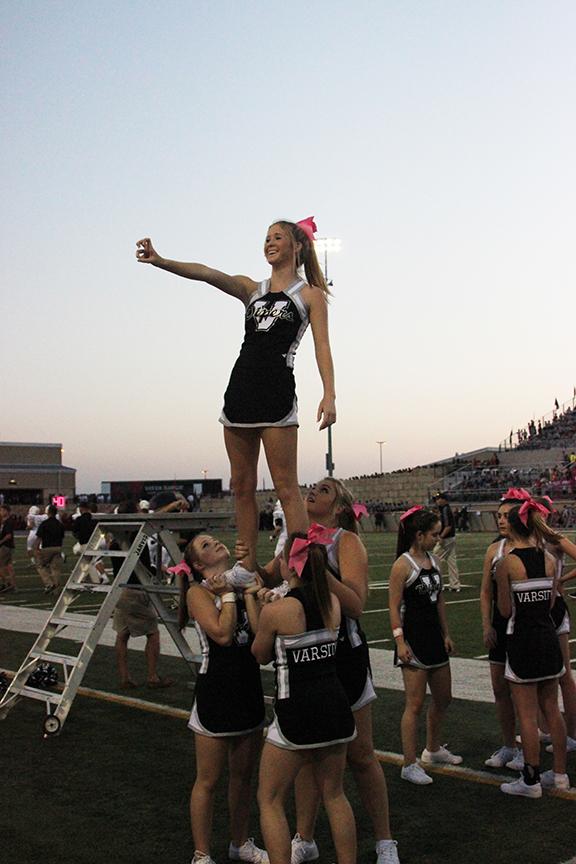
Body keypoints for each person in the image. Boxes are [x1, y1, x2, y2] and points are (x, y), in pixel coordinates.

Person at [136, 218, 336, 568]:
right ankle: (246, 566)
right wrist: (161, 260)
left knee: (286, 488)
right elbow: (207, 273)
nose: (269, 242)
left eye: (278, 237)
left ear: (297, 247)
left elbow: (322, 346)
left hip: (276, 393)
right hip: (240, 390)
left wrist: (329, 393)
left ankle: (303, 569)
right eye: (266, 238)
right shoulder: (250, 289)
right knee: (241, 486)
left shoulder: (309, 295)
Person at [267, 479, 399, 864]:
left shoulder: (346, 541)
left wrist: (318, 569)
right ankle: (304, 838)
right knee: (309, 754)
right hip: (307, 662)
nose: (313, 492)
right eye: (314, 488)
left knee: (360, 755)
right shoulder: (295, 537)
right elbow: (268, 576)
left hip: (344, 658)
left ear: (340, 506)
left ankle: (385, 840)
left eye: (324, 490)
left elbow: (356, 604)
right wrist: (241, 571)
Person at [251, 533, 356, 864]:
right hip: (337, 709)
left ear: (289, 566)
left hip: (297, 714)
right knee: (335, 794)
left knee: (269, 799)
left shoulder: (279, 612)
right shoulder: (333, 604)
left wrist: (255, 603)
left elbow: (259, 654)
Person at [181, 533, 267, 864]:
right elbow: (221, 634)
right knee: (208, 779)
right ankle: (201, 854)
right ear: (199, 564)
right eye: (205, 545)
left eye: (215, 539)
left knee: (244, 776)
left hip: (248, 687)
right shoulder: (197, 592)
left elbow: (259, 635)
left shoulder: (243, 581)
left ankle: (240, 842)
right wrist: (230, 596)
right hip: (216, 690)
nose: (215, 543)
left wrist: (250, 591)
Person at [495, 499, 568, 796]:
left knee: (526, 713)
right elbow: (552, 602)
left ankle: (530, 780)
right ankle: (560, 774)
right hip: (548, 637)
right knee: (552, 708)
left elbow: (503, 611)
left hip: (522, 641)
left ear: (512, 526)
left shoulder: (507, 562)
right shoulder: (549, 559)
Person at [389, 506, 462, 786]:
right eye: (433, 534)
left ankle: (432, 749)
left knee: (444, 697)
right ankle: (409, 763)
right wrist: (399, 641)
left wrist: (446, 633)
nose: (437, 538)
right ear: (419, 535)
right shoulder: (402, 565)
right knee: (415, 704)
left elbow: (439, 600)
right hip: (413, 641)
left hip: (434, 639)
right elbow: (394, 607)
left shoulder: (434, 560)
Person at [480, 489, 528, 770]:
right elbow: (486, 592)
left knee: (522, 691)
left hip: (523, 625)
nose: (500, 520)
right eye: (498, 516)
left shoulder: (532, 546)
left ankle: (525, 747)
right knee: (500, 689)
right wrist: (486, 624)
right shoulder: (493, 550)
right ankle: (509, 745)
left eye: (506, 516)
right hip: (500, 624)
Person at [111, 499, 175, 689]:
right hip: (136, 590)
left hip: (120, 590)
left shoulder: (116, 537)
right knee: (153, 634)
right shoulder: (136, 533)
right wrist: (173, 505)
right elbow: (155, 517)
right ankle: (152, 676)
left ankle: (125, 678)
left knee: (122, 635)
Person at [432, 492, 461, 591]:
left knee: (435, 558)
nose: (437, 501)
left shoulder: (445, 510)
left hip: (447, 538)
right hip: (451, 538)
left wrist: (440, 536)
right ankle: (455, 585)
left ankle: (438, 584)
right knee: (451, 561)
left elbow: (448, 526)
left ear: (444, 499)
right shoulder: (445, 509)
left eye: (439, 499)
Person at [34, 504, 65, 593]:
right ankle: (56, 589)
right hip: (58, 547)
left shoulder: (44, 524)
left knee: (40, 565)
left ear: (48, 513)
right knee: (55, 569)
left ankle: (49, 584)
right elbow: (62, 537)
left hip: (47, 548)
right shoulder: (60, 524)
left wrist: (36, 549)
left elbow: (39, 538)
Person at [0, 504, 17, 593]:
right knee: (9, 567)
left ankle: (6, 583)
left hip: (6, 546)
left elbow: (8, 535)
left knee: (1, 566)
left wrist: (1, 542)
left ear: (7, 511)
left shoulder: (9, 522)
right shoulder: (4, 521)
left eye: (2, 510)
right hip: (7, 546)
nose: (1, 512)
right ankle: (13, 585)